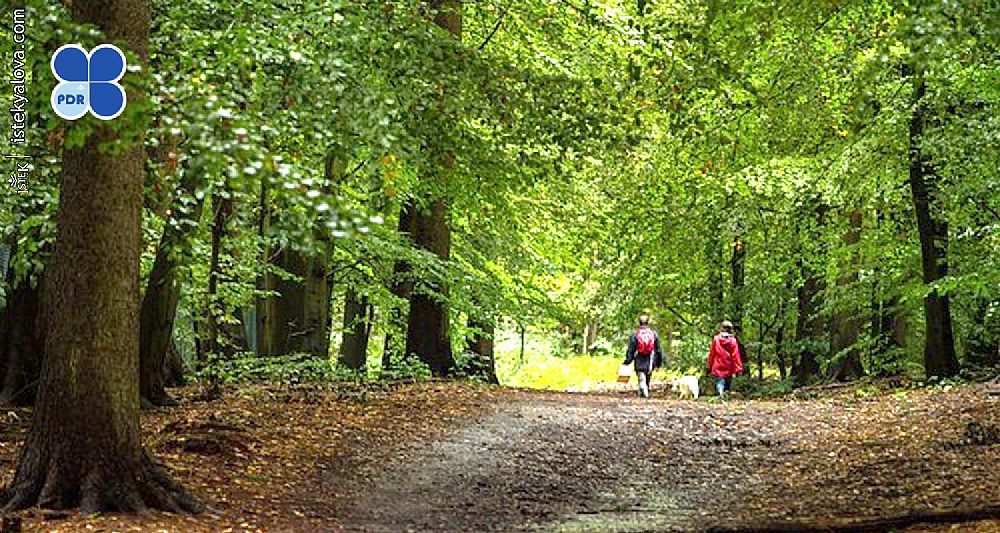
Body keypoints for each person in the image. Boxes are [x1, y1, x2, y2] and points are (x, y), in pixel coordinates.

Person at [623, 314, 664, 398]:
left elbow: (631, 349)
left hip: (639, 358)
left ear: (639, 322)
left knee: (641, 375)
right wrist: (659, 362)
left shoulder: (635, 334)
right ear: (648, 322)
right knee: (648, 375)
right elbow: (658, 349)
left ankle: (642, 389)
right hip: (650, 359)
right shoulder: (653, 334)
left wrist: (628, 360)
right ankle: (646, 389)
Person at [707, 320, 743, 398]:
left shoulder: (716, 339)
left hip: (718, 365)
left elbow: (712, 353)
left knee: (720, 381)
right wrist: (738, 368)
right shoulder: (733, 341)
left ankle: (720, 394)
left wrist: (709, 365)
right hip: (729, 366)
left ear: (722, 328)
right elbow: (735, 355)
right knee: (727, 382)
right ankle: (725, 394)